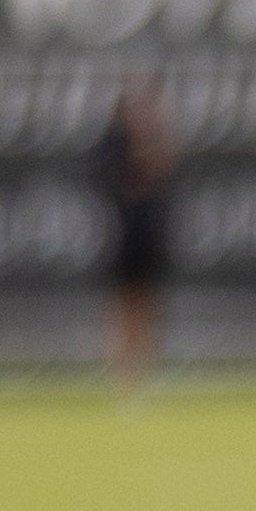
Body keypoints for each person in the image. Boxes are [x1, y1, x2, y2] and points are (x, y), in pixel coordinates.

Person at [94, 73, 182, 391]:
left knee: (149, 305)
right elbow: (115, 182)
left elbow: (165, 169)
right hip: (125, 234)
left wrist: (153, 134)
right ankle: (119, 374)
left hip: (149, 234)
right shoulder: (115, 141)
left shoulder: (155, 135)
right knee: (122, 306)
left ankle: (145, 374)